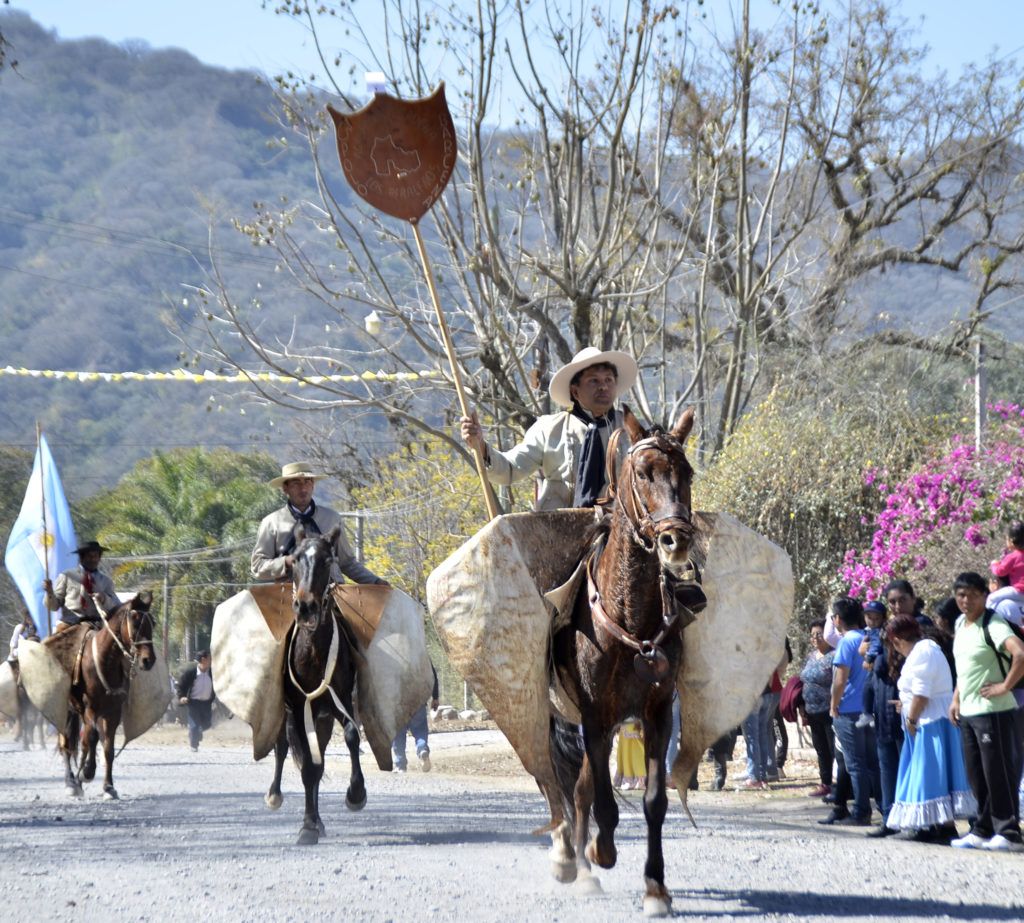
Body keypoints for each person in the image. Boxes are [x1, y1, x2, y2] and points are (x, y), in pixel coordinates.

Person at [459, 346, 639, 510]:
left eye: (608, 380)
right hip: (558, 528)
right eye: (593, 381)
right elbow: (510, 470)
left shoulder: (631, 428)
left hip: (619, 526)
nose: (603, 386)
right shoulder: (549, 429)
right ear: (575, 391)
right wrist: (481, 446)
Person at [949, 571, 1024, 851]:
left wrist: (1005, 686)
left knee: (997, 771)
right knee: (976, 773)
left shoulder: (993, 623)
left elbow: (1020, 653)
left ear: (983, 595)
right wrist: (956, 698)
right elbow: (966, 667)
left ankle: (1008, 831)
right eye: (960, 595)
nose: (965, 600)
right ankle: (982, 828)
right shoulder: (960, 624)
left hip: (993, 710)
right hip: (968, 711)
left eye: (971, 594)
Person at [885, 614, 975, 843]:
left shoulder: (923, 652)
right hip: (929, 721)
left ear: (896, 641)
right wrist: (905, 707)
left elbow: (922, 693)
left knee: (930, 775)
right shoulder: (924, 651)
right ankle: (938, 824)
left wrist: (911, 719)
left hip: (930, 723)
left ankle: (939, 826)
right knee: (931, 775)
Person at [252, 462, 385, 584]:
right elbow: (258, 566)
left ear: (313, 485)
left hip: (333, 591)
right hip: (289, 595)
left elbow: (347, 563)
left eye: (307, 482)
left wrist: (375, 582)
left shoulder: (332, 518)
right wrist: (287, 561)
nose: (303, 489)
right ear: (285, 488)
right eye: (296, 483)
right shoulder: (272, 523)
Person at [824, 596, 879, 826]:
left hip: (848, 710)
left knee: (855, 764)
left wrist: (833, 703)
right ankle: (884, 808)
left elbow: (840, 678)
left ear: (838, 619)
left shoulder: (846, 642)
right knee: (872, 763)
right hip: (868, 709)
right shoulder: (868, 638)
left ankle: (861, 811)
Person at [43, 540, 120, 630]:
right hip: (71, 624)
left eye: (96, 556)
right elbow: (53, 606)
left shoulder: (106, 581)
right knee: (48, 643)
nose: (93, 559)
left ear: (99, 558)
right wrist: (49, 592)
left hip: (97, 625)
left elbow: (116, 605)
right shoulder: (67, 576)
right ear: (81, 558)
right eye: (89, 556)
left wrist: (103, 598)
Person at [801, 619, 834, 798]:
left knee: (832, 749)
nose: (816, 638)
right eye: (813, 635)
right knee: (820, 749)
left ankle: (841, 785)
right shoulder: (810, 656)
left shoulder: (834, 655)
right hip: (811, 710)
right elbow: (803, 679)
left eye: (819, 634)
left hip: (829, 710)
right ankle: (825, 783)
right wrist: (801, 706)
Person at [392, 665, 440, 773]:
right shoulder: (419, 653)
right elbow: (433, 675)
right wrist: (435, 697)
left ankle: (400, 765)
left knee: (398, 734)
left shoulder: (394, 655)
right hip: (418, 700)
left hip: (399, 702)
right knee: (420, 730)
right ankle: (422, 748)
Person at [177, 650, 215, 752]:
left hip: (207, 703)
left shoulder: (212, 673)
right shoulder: (191, 673)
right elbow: (181, 686)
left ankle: (198, 733)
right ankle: (194, 745)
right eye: (209, 658)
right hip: (193, 703)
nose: (211, 660)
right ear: (203, 660)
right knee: (194, 725)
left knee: (207, 724)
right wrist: (182, 697)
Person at [990, 520, 1024, 593]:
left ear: (1011, 541)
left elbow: (1000, 571)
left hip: (1018, 591)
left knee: (991, 598)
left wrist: (994, 564)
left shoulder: (1013, 557)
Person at [614, 719, 647, 790]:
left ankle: (639, 780)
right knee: (628, 750)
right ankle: (631, 780)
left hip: (634, 720)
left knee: (637, 749)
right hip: (626, 721)